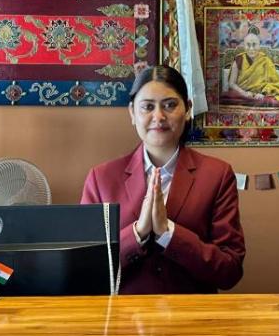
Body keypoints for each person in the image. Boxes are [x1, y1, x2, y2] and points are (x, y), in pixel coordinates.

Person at [81, 65, 246, 294]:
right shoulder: (101, 178)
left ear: (187, 109)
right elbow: (86, 268)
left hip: (193, 312)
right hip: (123, 314)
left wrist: (169, 233)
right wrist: (138, 233)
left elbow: (230, 271)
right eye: (147, 107)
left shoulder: (217, 175)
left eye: (169, 105)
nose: (158, 117)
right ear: (132, 113)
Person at [222, 27, 279, 106]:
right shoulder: (239, 59)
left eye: (254, 45)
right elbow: (231, 83)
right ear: (244, 46)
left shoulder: (265, 61)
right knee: (225, 97)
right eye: (248, 45)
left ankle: (255, 100)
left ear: (259, 46)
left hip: (260, 97)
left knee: (273, 102)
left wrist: (263, 94)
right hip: (242, 95)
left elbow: (275, 84)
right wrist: (244, 93)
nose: (251, 48)